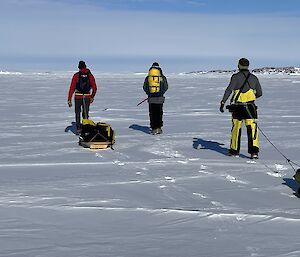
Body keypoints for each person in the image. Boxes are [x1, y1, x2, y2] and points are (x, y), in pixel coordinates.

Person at [219, 58, 262, 159]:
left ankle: (234, 151)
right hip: (251, 107)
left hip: (238, 107)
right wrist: (252, 98)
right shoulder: (254, 78)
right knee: (252, 129)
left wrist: (223, 102)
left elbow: (229, 90)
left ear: (239, 65)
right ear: (248, 66)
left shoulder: (235, 77)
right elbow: (260, 93)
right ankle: (254, 152)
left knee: (236, 128)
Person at [68, 61, 97, 134]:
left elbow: (72, 88)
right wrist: (92, 96)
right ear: (85, 66)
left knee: (77, 112)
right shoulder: (90, 75)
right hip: (87, 96)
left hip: (78, 96)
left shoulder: (76, 75)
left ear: (79, 67)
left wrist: (69, 99)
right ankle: (86, 128)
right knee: (85, 113)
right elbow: (95, 88)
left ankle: (78, 128)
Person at [143, 62, 168, 134]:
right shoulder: (162, 78)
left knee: (152, 113)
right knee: (159, 112)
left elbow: (145, 87)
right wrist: (161, 93)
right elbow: (166, 87)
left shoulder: (148, 78)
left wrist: (149, 93)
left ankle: (154, 128)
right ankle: (159, 128)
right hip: (160, 98)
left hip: (151, 98)